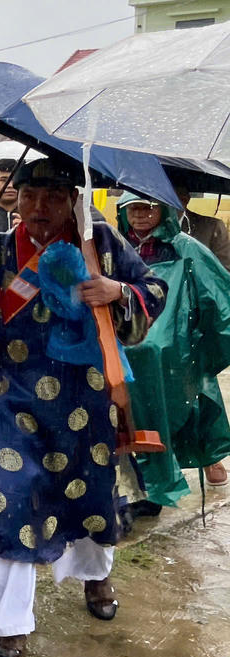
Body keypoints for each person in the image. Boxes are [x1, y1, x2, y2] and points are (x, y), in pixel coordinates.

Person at [0, 158, 167, 657]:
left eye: (51, 197)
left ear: (72, 197)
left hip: (86, 395)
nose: (38, 208)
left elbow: (154, 290)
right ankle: (10, 623)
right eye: (29, 196)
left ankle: (96, 576)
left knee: (90, 493)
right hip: (13, 395)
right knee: (11, 500)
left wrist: (120, 291)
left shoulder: (102, 243)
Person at [117, 193, 230, 501]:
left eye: (147, 207)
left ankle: (192, 462)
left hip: (175, 345)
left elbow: (219, 298)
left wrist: (200, 346)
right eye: (132, 208)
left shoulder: (187, 247)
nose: (139, 215)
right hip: (127, 343)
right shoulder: (113, 246)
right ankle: (142, 478)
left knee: (183, 396)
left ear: (163, 209)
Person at [175, 185, 230, 271]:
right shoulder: (149, 228)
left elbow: (224, 272)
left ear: (184, 200)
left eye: (167, 200)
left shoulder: (212, 227)